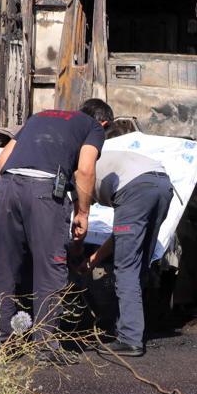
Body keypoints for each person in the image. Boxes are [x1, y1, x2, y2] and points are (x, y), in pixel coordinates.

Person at [0, 99, 113, 362]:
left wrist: (17, 191)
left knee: (4, 267)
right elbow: (85, 169)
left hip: (8, 185)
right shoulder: (93, 128)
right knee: (50, 268)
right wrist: (83, 213)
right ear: (104, 123)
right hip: (44, 191)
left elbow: (2, 161)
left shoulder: (39, 117)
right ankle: (45, 346)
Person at [77, 144, 174, 357]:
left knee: (126, 268)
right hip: (163, 186)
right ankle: (132, 326)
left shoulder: (79, 172)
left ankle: (130, 339)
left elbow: (78, 218)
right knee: (139, 264)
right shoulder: (104, 161)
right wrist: (93, 259)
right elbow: (121, 236)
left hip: (136, 189)